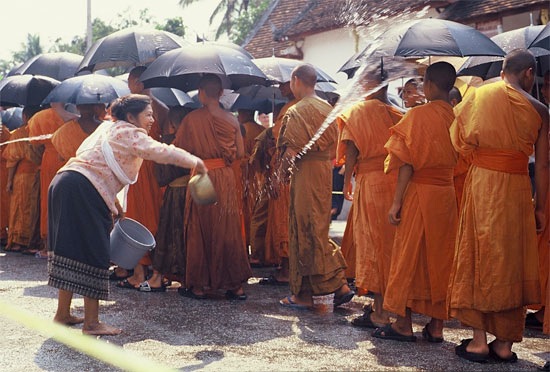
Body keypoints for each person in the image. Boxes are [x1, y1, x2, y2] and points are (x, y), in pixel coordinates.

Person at [48, 94, 206, 335]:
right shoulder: (129, 132)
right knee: (94, 251)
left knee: (70, 249)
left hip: (66, 181)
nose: (152, 119)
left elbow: (98, 159)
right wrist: (194, 161)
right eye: (148, 114)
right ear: (131, 117)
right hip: (83, 188)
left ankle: (62, 314)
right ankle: (91, 323)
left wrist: (115, 206)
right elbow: (159, 151)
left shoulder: (109, 128)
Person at [448, 49, 549, 363]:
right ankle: (504, 344)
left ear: (505, 71)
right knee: (511, 260)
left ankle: (478, 341)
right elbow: (544, 166)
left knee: (478, 256)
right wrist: (541, 207)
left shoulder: (479, 96)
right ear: (529, 74)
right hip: (517, 188)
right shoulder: (540, 109)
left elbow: (460, 142)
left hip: (482, 184)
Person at [373, 62, 458, 343]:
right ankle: (436, 326)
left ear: (430, 85)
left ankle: (403, 323)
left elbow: (406, 163)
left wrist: (396, 202)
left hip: (419, 191)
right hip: (446, 195)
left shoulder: (417, 116)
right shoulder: (459, 116)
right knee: (440, 258)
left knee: (408, 256)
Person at [277, 64, 354, 309]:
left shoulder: (297, 111)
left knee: (305, 230)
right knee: (317, 227)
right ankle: (334, 285)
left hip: (306, 172)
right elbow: (334, 147)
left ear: (296, 80)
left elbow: (291, 152)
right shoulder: (328, 108)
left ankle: (307, 294)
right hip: (323, 172)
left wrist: (279, 176)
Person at [174, 74, 252, 300]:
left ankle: (199, 286)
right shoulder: (231, 119)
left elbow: (180, 150)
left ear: (200, 93)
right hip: (225, 177)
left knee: (199, 226)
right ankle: (235, 286)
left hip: (201, 174)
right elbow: (239, 153)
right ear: (220, 93)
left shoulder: (191, 119)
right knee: (227, 226)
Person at [337, 82, 403, 327]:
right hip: (394, 181)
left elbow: (351, 150)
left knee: (373, 245)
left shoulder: (357, 112)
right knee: (390, 245)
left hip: (370, 182)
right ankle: (380, 307)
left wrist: (346, 183)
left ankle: (381, 313)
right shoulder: (397, 113)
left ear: (367, 84)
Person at [115, 66, 168, 288]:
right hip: (156, 166)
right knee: (155, 215)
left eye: (130, 81)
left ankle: (138, 273)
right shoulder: (161, 108)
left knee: (135, 215)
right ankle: (156, 271)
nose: (128, 86)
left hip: (138, 167)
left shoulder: (132, 107)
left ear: (138, 82)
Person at [143, 105, 194, 291]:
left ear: (171, 124)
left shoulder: (170, 145)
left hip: (175, 193)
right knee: (188, 235)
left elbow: (162, 178)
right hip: (192, 191)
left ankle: (158, 277)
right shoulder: (193, 142)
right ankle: (187, 277)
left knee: (168, 234)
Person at [28, 103, 78, 258]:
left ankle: (47, 245)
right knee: (69, 201)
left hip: (49, 159)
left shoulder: (40, 116)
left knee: (48, 201)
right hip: (70, 157)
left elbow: (33, 142)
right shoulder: (75, 116)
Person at [3, 106, 43, 254]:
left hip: (22, 176)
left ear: (25, 116)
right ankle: (32, 239)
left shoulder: (20, 133)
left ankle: (19, 240)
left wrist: (9, 181)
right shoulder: (41, 131)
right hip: (39, 174)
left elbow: (12, 160)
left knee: (20, 207)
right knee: (33, 208)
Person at [236, 108, 266, 265]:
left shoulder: (245, 129)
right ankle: (258, 250)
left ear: (244, 113)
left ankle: (246, 248)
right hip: (258, 176)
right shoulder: (262, 129)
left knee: (246, 214)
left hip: (244, 176)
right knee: (255, 212)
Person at [0, 124, 11, 247]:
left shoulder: (3, 131)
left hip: (2, 168)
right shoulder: (5, 130)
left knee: (2, 202)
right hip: (3, 168)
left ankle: (2, 232)